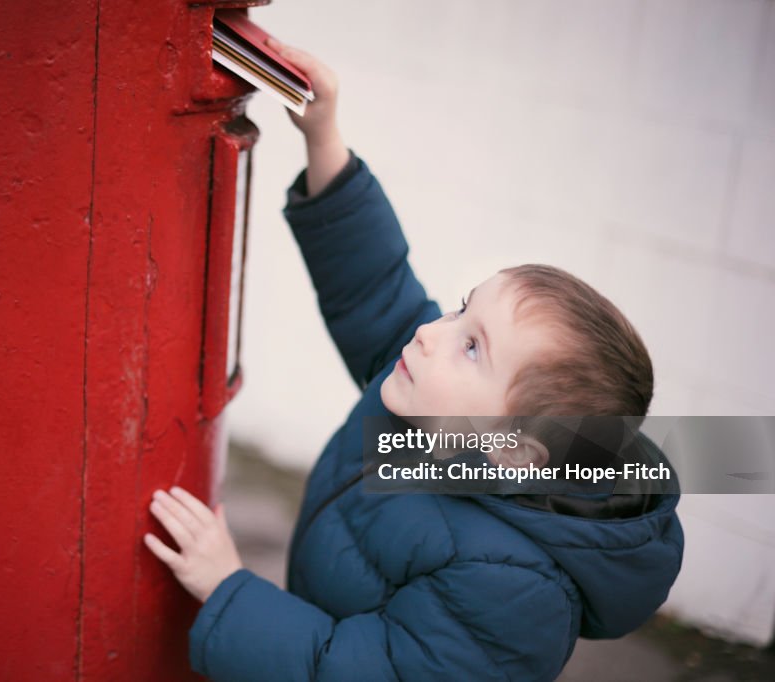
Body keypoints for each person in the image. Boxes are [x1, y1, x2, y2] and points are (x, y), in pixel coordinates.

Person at [143, 38, 684, 681]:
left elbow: (369, 672)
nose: (433, 332)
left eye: (473, 346)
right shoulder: (440, 400)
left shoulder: (511, 588)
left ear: (517, 450)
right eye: (462, 310)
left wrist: (229, 584)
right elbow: (376, 284)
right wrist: (323, 137)